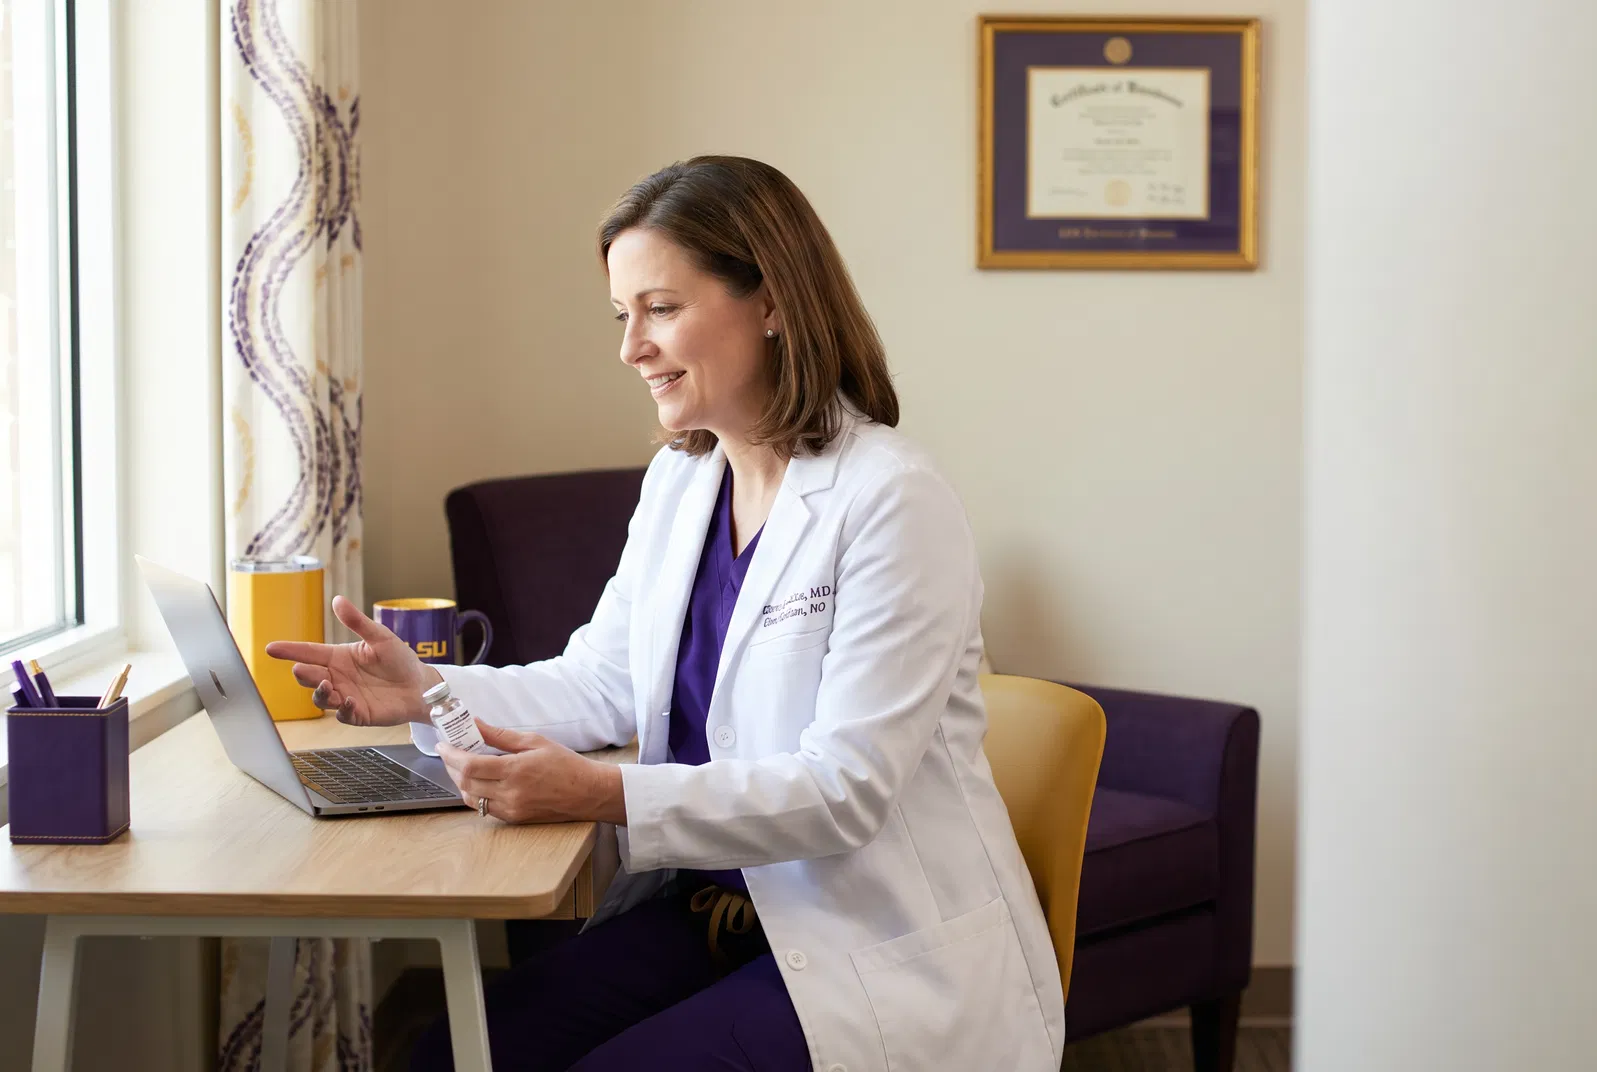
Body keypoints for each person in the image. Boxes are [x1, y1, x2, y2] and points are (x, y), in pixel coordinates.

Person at [266, 156, 1063, 1071]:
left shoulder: (892, 499)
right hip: (714, 914)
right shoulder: (683, 481)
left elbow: (847, 791)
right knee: (453, 1052)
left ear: (772, 302)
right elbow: (605, 681)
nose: (630, 347)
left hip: (867, 942)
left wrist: (600, 794)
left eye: (662, 308)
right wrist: (427, 691)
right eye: (622, 315)